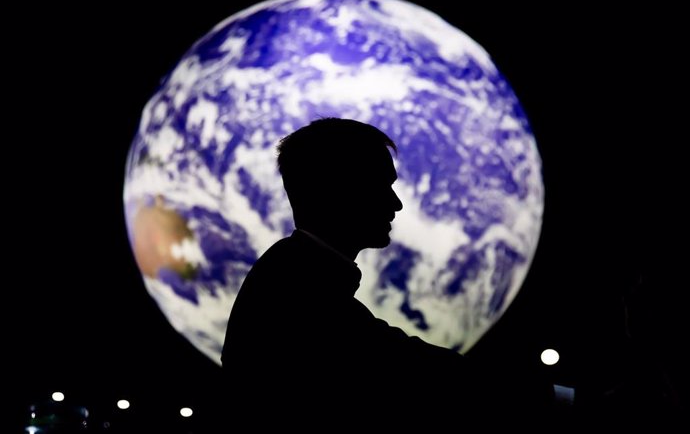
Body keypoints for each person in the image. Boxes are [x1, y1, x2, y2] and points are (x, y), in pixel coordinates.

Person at [220, 118, 546, 429]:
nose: (396, 204)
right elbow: (404, 368)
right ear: (336, 191)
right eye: (380, 185)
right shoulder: (296, 291)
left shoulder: (292, 274)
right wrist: (554, 398)